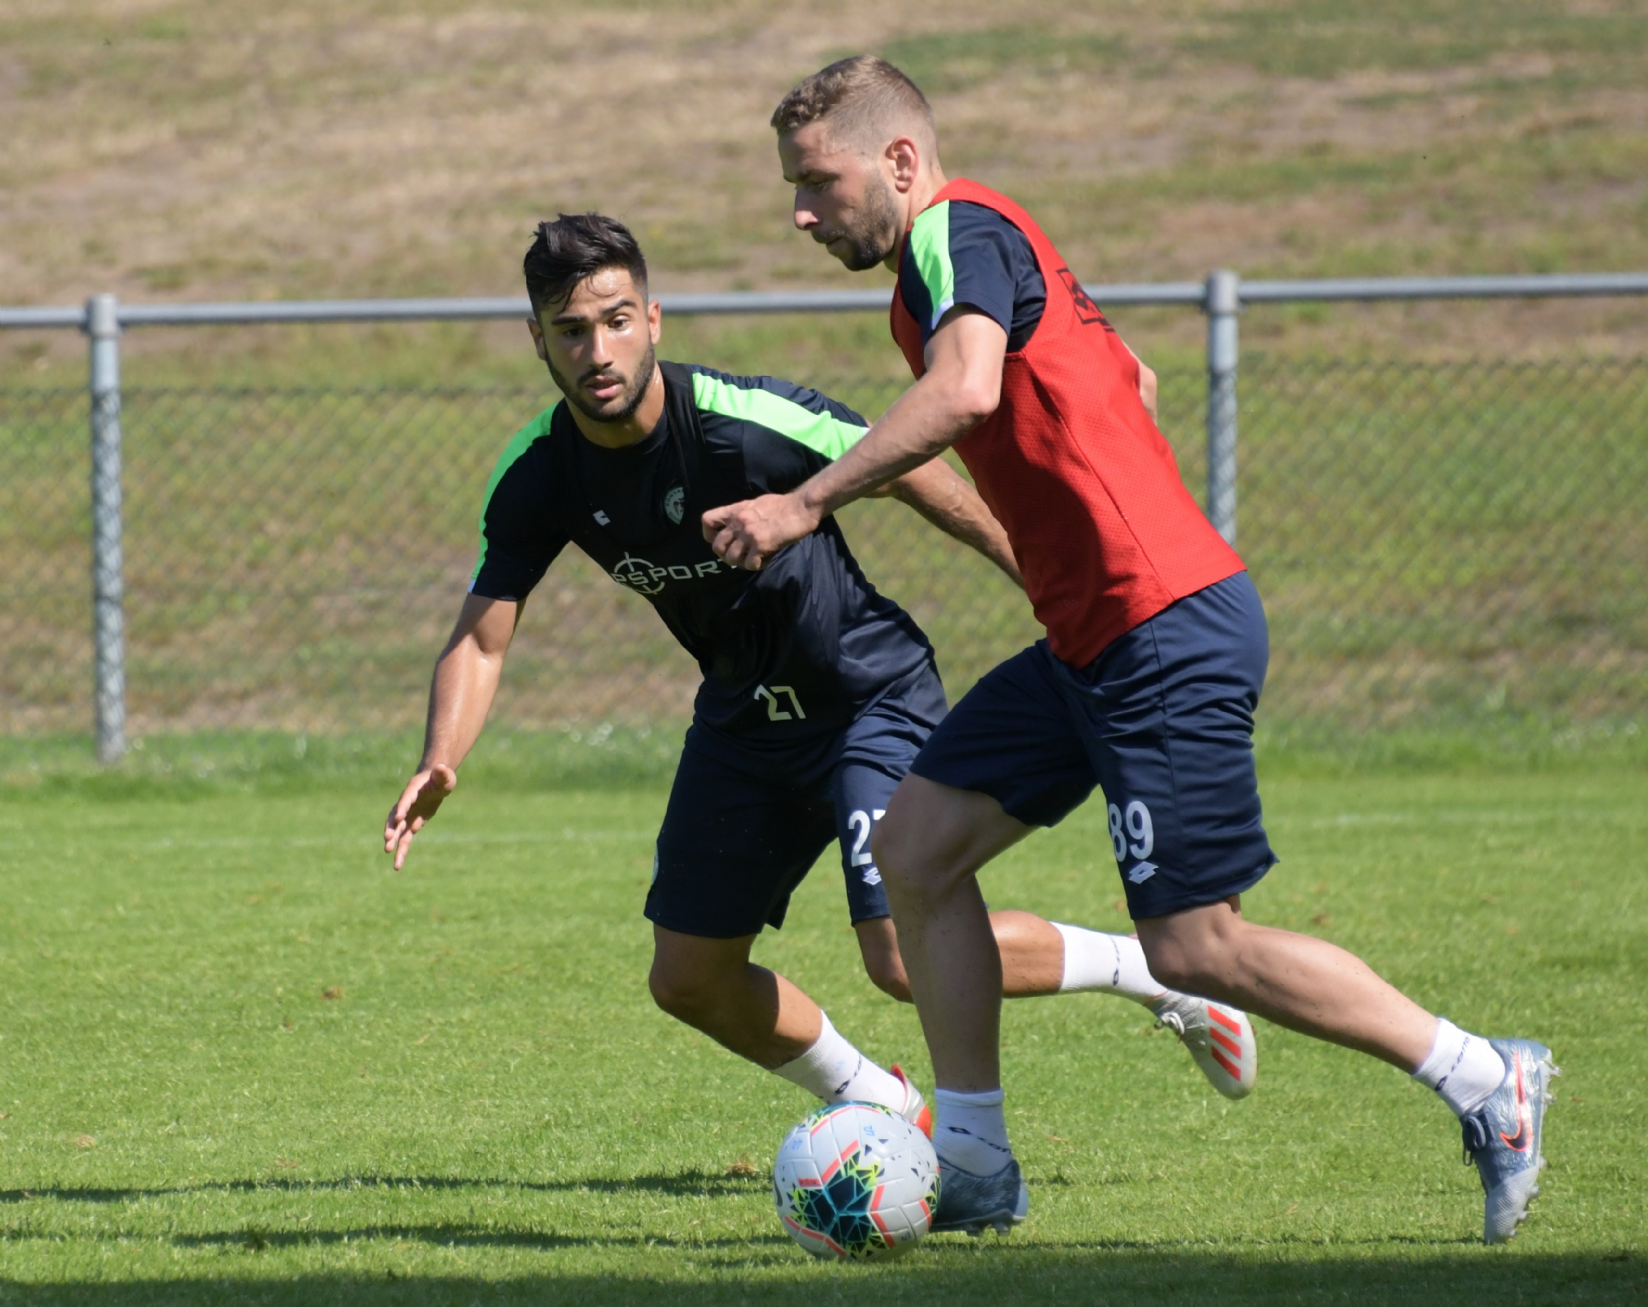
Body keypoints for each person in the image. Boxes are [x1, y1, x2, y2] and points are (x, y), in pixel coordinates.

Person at [702, 57, 1557, 1242]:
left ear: (898, 161)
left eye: (817, 182)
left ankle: (1484, 1077)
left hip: (1157, 625)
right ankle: (974, 1159)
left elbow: (966, 391)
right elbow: (1128, 376)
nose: (801, 212)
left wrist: (802, 502)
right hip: (1090, 635)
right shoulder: (952, 261)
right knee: (914, 849)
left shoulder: (955, 229)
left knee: (1195, 943)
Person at [383, 213, 1259, 1144]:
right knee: (689, 977)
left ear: (654, 319)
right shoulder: (538, 473)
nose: (597, 351)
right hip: (742, 721)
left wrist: (1056, 588)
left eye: (617, 320)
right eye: (570, 330)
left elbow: (920, 475)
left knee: (897, 954)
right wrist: (441, 756)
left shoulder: (743, 422)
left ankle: (1149, 973)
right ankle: (880, 1100)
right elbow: (482, 640)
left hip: (868, 693)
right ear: (537, 339)